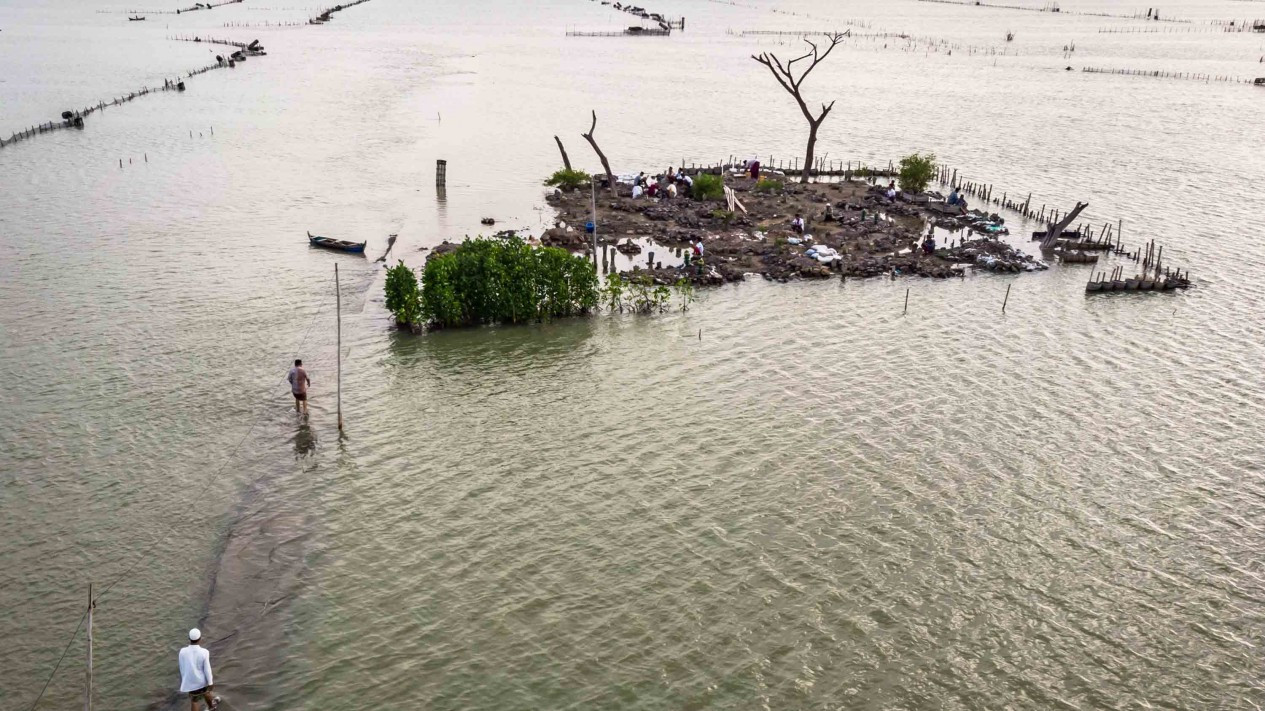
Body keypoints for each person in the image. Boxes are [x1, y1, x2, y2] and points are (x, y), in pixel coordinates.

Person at [178, 628, 218, 710]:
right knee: (206, 692)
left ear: (189, 639)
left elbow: (182, 667)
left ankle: (211, 706)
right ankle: (212, 707)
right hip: (201, 681)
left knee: (194, 700)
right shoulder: (204, 652)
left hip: (190, 681)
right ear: (200, 639)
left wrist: (185, 681)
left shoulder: (182, 651)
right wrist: (210, 682)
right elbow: (207, 669)